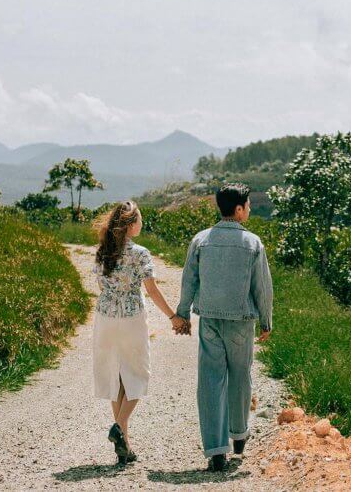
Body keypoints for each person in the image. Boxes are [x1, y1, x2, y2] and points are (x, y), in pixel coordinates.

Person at [174, 183, 273, 472]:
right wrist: (266, 320)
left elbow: (189, 279)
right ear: (239, 209)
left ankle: (217, 451)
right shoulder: (253, 243)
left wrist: (183, 314)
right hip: (241, 321)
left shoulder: (201, 240)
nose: (250, 210)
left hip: (210, 320)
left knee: (210, 380)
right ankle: (239, 435)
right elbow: (262, 288)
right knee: (241, 376)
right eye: (249, 205)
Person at [92, 201, 187, 465]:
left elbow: (101, 286)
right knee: (139, 373)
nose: (142, 224)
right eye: (140, 220)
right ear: (131, 225)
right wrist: (172, 316)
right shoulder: (141, 253)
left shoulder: (103, 251)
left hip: (105, 317)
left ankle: (125, 446)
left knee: (116, 377)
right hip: (131, 317)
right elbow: (152, 290)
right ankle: (119, 428)